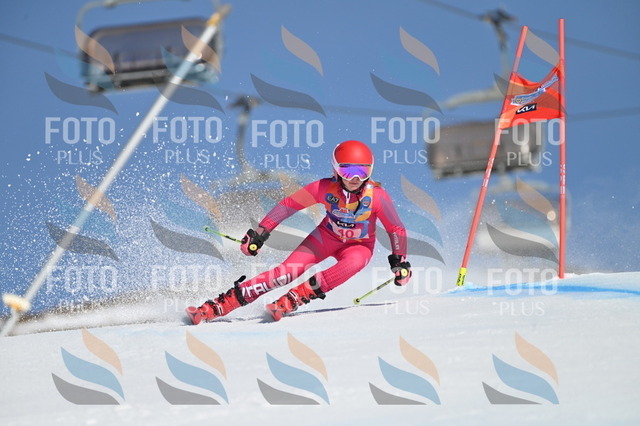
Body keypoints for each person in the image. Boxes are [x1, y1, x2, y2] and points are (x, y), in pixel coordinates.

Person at [187, 140, 411, 323]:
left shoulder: (377, 196)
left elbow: (396, 228)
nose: (355, 178)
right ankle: (217, 306)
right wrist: (260, 233)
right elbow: (288, 205)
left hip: (358, 246)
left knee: (353, 263)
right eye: (348, 170)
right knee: (286, 273)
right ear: (336, 169)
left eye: (362, 171)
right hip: (326, 237)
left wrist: (400, 261)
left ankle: (294, 298)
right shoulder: (324, 188)